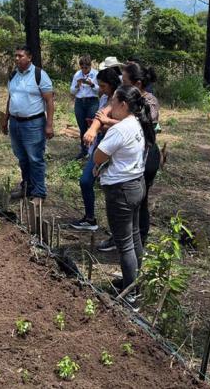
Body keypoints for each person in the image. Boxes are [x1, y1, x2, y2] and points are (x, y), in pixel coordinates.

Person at [93, 85, 155, 307]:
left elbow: (98, 156)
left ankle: (131, 296)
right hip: (136, 185)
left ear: (123, 105)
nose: (110, 108)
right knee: (135, 236)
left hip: (121, 190)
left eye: (113, 103)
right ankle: (134, 284)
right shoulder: (136, 123)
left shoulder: (120, 129)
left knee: (125, 243)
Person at [70, 67, 121, 231]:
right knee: (86, 180)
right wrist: (95, 127)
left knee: (114, 190)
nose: (100, 89)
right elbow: (102, 116)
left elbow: (128, 124)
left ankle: (118, 230)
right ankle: (90, 219)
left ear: (112, 85)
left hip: (115, 148)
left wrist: (102, 126)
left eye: (103, 86)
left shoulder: (121, 100)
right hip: (101, 143)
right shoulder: (106, 97)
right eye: (99, 85)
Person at [2, 45, 55, 205]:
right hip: (15, 123)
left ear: (29, 57)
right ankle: (27, 187)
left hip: (33, 123)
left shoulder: (39, 75)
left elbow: (49, 102)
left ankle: (39, 193)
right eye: (16, 56)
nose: (17, 59)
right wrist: (5, 119)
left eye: (20, 56)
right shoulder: (13, 75)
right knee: (22, 158)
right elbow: (11, 98)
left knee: (35, 158)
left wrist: (49, 125)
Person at [70, 55, 99, 160]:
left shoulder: (96, 74)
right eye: (82, 67)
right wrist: (77, 85)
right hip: (79, 102)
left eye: (86, 67)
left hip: (92, 102)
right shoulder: (77, 74)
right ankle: (83, 150)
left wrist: (91, 84)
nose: (84, 70)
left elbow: (99, 90)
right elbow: (72, 91)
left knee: (92, 126)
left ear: (90, 66)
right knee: (82, 127)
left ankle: (93, 151)